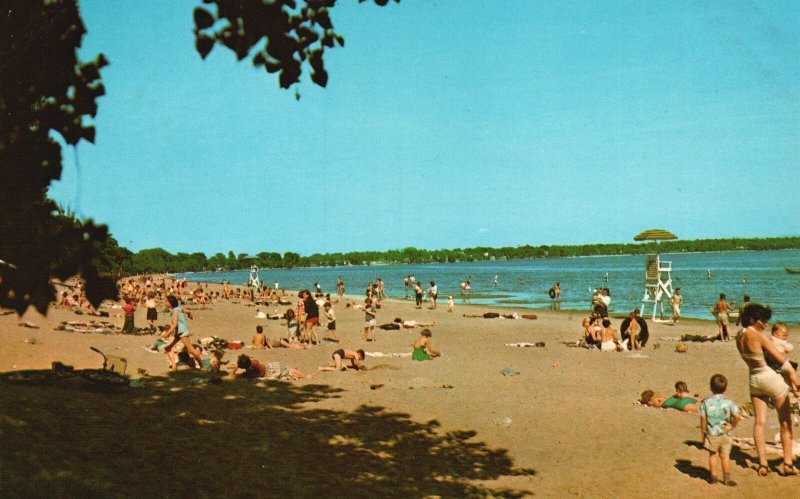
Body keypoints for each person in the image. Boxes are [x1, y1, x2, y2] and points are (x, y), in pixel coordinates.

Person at [736, 303, 800, 477]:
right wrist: (794, 377)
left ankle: (763, 465)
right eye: (762, 320)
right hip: (769, 378)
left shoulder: (739, 336)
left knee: (759, 422)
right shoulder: (758, 336)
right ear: (752, 319)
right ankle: (787, 464)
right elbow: (781, 360)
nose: (765, 324)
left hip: (753, 379)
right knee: (786, 422)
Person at [699, 374, 741, 486]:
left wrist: (703, 432)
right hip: (726, 432)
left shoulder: (706, 402)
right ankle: (726, 478)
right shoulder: (729, 402)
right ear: (725, 388)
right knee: (725, 456)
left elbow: (703, 418)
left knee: (713, 455)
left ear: (711, 387)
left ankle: (713, 477)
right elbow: (737, 415)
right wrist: (732, 425)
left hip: (712, 432)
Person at [162, 295, 204, 372]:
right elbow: (187, 311)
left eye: (166, 301)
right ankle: (174, 367)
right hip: (179, 332)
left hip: (182, 332)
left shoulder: (175, 311)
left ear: (170, 303)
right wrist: (190, 314)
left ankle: (202, 366)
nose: (164, 302)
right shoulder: (177, 309)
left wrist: (167, 333)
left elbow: (174, 324)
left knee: (191, 350)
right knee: (167, 348)